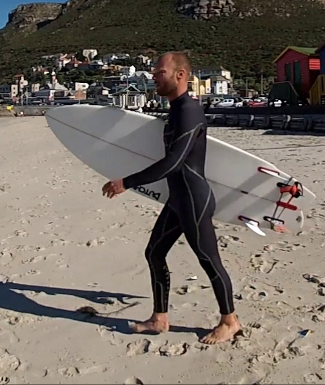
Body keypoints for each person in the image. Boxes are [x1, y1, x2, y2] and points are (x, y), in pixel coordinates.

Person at [102, 51, 242, 345]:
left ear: (180, 75)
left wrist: (126, 182)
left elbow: (174, 162)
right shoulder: (175, 110)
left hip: (193, 200)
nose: (154, 77)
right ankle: (159, 318)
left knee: (208, 260)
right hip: (178, 199)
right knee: (154, 253)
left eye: (159, 73)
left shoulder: (188, 110)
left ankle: (230, 321)